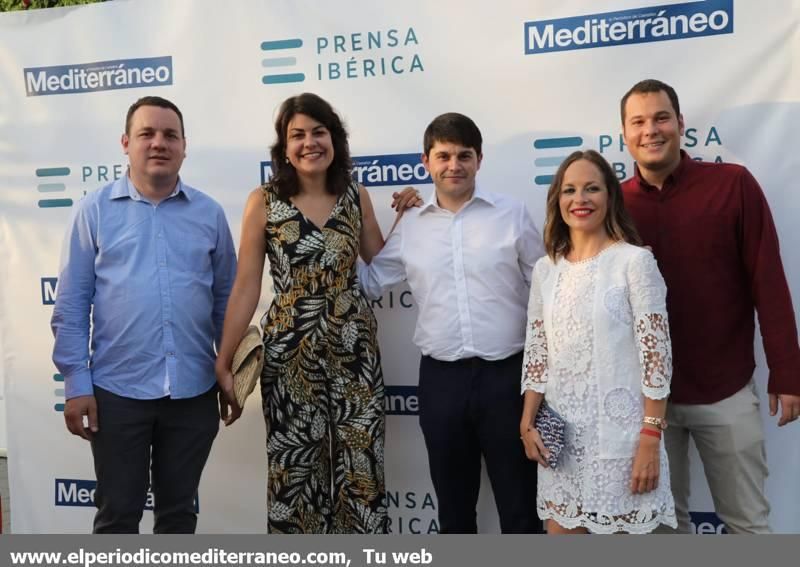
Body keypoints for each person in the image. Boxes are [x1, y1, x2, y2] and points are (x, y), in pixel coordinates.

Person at [214, 93, 415, 534]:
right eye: (297, 135)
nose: (309, 143)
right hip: (289, 354)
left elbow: (379, 267)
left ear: (335, 139)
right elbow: (246, 285)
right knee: (295, 475)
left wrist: (408, 218)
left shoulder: (354, 195)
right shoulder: (263, 202)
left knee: (361, 472)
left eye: (318, 132)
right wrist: (224, 360)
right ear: (283, 148)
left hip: (354, 351)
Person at [619, 79, 800, 534]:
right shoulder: (613, 204)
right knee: (661, 529)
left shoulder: (732, 185)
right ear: (624, 134)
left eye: (661, 117)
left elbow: (770, 284)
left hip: (726, 391)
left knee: (748, 525)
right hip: (646, 403)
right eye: (638, 122)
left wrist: (788, 371)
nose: (650, 130)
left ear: (681, 124)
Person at [50, 96, 237, 533]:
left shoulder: (209, 214)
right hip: (117, 394)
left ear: (184, 146)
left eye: (170, 135)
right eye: (147, 134)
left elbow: (226, 302)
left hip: (193, 394)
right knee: (117, 517)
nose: (159, 143)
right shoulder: (92, 211)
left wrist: (229, 369)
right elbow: (72, 305)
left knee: (178, 517)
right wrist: (76, 383)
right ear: (125, 143)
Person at [358, 113, 544, 534]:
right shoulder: (412, 226)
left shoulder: (511, 214)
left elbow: (544, 290)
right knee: (454, 514)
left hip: (508, 379)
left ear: (479, 159)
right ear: (426, 161)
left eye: (464, 155)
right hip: (441, 382)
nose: (454, 165)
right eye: (443, 156)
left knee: (520, 510)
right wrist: (340, 226)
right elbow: (369, 282)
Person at [519, 150, 676, 534]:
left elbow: (656, 358)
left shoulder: (635, 262)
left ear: (610, 196)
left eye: (592, 188)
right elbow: (538, 352)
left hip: (622, 446)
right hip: (562, 452)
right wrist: (526, 423)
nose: (580, 199)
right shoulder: (545, 269)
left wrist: (650, 439)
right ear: (557, 199)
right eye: (570, 190)